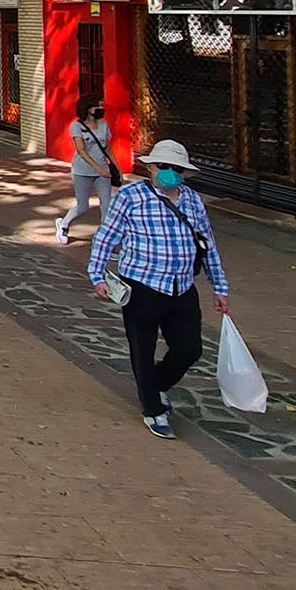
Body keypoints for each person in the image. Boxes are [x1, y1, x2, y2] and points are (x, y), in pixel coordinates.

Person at [87, 140, 231, 440]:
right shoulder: (131, 196)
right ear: (151, 167)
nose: (169, 173)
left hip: (181, 287)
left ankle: (156, 384)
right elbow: (107, 235)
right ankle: (153, 409)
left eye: (175, 169)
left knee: (189, 349)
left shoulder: (192, 200)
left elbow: (208, 246)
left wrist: (220, 286)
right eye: (163, 167)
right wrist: (97, 274)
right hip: (142, 286)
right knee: (143, 348)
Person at [60, 97, 115, 246]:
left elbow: (107, 148)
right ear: (89, 109)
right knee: (83, 206)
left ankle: (105, 240)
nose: (101, 109)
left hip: (103, 172)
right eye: (98, 106)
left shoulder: (103, 125)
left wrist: (116, 166)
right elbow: (81, 150)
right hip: (82, 171)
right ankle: (64, 224)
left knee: (107, 205)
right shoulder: (77, 126)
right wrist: (97, 167)